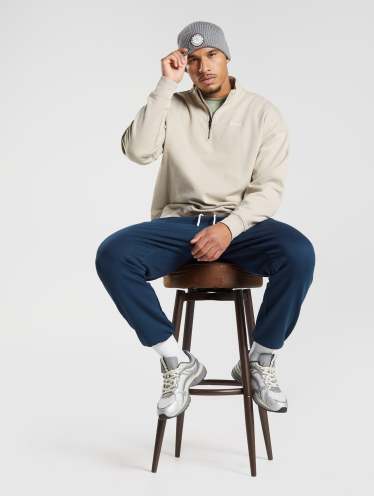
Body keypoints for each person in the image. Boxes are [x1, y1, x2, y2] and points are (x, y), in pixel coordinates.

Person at [95, 20, 315, 419]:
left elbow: (268, 190)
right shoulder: (172, 104)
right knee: (113, 254)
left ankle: (259, 358)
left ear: (227, 57)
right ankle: (176, 360)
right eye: (193, 59)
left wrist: (228, 228)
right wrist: (166, 84)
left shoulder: (263, 113)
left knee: (298, 253)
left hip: (242, 225)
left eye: (211, 55)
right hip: (181, 224)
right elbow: (138, 151)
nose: (203, 66)